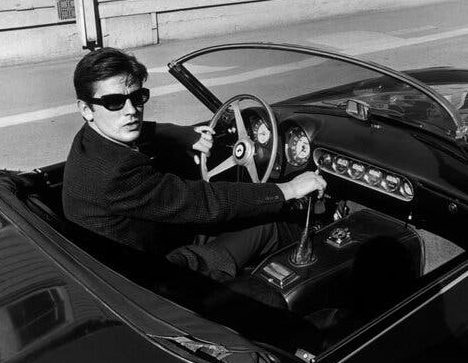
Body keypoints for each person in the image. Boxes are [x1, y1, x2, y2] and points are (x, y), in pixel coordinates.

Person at [62, 47, 326, 281]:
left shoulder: (90, 140)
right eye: (114, 102)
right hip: (155, 274)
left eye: (138, 97)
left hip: (138, 246)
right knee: (270, 225)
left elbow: (147, 130)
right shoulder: (115, 171)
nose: (131, 110)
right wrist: (288, 190)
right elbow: (203, 202)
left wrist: (183, 134)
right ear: (86, 109)